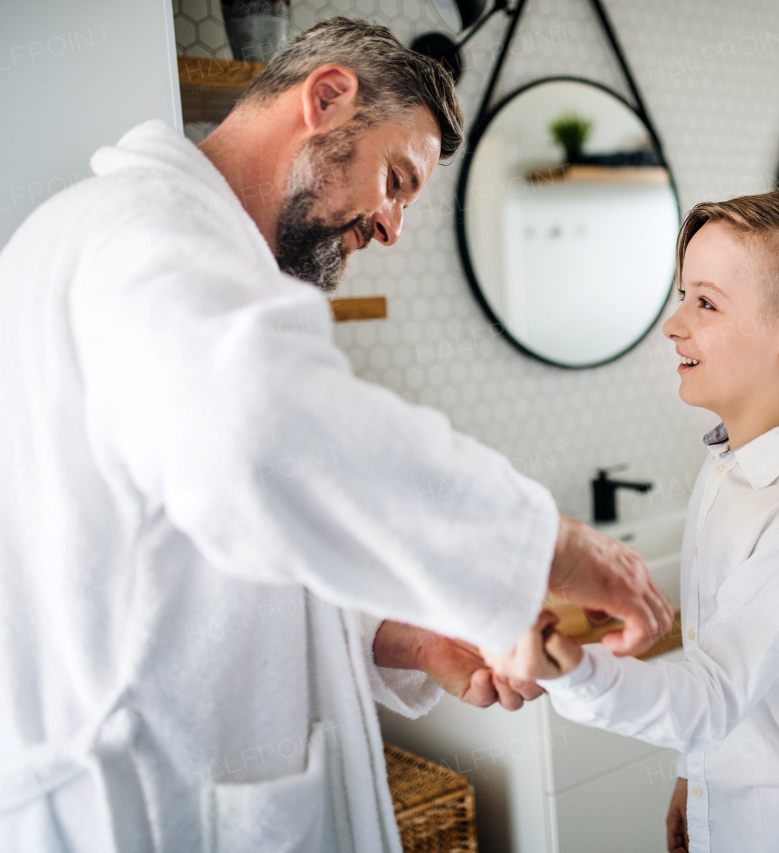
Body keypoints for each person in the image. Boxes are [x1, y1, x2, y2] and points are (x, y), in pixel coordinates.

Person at [0, 18, 671, 851]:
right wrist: (550, 545)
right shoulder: (150, 235)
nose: (392, 227)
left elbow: (221, 535)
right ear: (326, 97)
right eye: (397, 178)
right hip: (150, 804)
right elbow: (257, 439)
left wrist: (409, 634)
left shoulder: (149, 243)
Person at [489, 192, 779, 853]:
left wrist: (570, 670)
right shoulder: (723, 468)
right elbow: (715, 664)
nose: (673, 323)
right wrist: (696, 773)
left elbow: (711, 690)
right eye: (684, 293)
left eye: (705, 303)